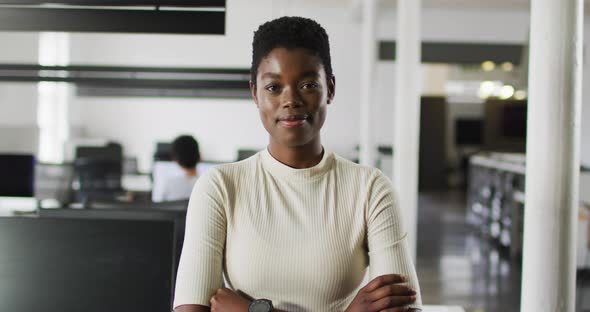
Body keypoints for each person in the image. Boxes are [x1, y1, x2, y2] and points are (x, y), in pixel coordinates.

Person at [174, 16, 422, 312]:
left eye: (307, 84)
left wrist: (253, 311)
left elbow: (404, 308)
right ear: (255, 93)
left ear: (330, 88)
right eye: (274, 87)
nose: (291, 100)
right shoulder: (219, 187)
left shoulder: (370, 189)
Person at [152, 135, 200, 202]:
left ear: (175, 160)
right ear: (200, 156)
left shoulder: (167, 184)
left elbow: (156, 205)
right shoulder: (207, 184)